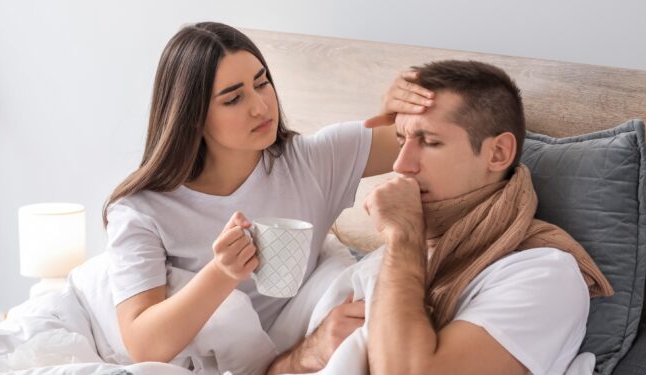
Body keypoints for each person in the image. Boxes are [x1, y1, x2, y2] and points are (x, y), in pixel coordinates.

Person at [101, 22, 431, 374]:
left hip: (293, 349)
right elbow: (143, 346)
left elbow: (434, 137)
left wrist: (403, 104)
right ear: (191, 116)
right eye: (233, 98)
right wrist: (222, 272)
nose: (260, 107)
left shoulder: (313, 161)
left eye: (262, 83)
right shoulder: (142, 210)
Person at [267, 60, 614, 375]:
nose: (401, 165)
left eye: (429, 142)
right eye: (401, 140)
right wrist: (310, 352)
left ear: (498, 153)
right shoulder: (385, 263)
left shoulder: (545, 275)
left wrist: (404, 237)